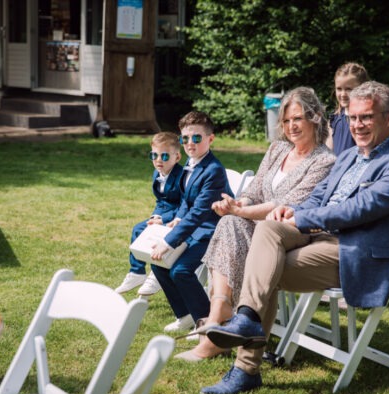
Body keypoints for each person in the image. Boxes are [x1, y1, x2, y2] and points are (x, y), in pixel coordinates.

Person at [201, 81, 389, 394]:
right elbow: (318, 197)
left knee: (263, 266)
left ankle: (245, 364)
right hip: (318, 239)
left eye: (367, 117)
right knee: (268, 229)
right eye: (353, 117)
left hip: (355, 253)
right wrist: (291, 210)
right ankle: (247, 321)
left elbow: (357, 210)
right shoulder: (348, 157)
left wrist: (300, 218)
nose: (358, 125)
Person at [175, 87, 336, 361]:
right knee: (228, 223)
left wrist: (240, 210)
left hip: (293, 231)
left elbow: (284, 204)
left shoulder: (324, 161)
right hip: (259, 225)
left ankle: (223, 328)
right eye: (285, 121)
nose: (291, 126)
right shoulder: (277, 149)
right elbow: (256, 190)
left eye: (297, 119)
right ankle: (219, 314)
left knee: (236, 222)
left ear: (316, 118)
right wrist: (235, 204)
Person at [150, 111, 233, 333]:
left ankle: (207, 323)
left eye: (196, 138)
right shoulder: (190, 162)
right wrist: (177, 218)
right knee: (158, 262)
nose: (190, 143)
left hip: (214, 231)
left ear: (210, 139)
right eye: (185, 138)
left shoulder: (213, 170)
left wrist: (169, 242)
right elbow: (187, 199)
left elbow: (199, 213)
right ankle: (185, 315)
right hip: (193, 228)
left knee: (180, 271)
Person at [115, 132, 183, 296]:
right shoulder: (157, 174)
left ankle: (157, 273)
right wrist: (155, 216)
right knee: (138, 229)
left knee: (161, 234)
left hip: (178, 218)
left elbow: (185, 204)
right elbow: (161, 201)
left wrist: (164, 219)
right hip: (164, 214)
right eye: (154, 155)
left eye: (165, 156)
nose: (159, 160)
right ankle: (136, 272)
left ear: (177, 157)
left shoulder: (182, 177)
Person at [326, 62, 369, 155]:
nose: (343, 94)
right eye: (339, 89)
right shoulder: (334, 119)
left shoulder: (367, 120)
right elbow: (328, 153)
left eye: (349, 89)